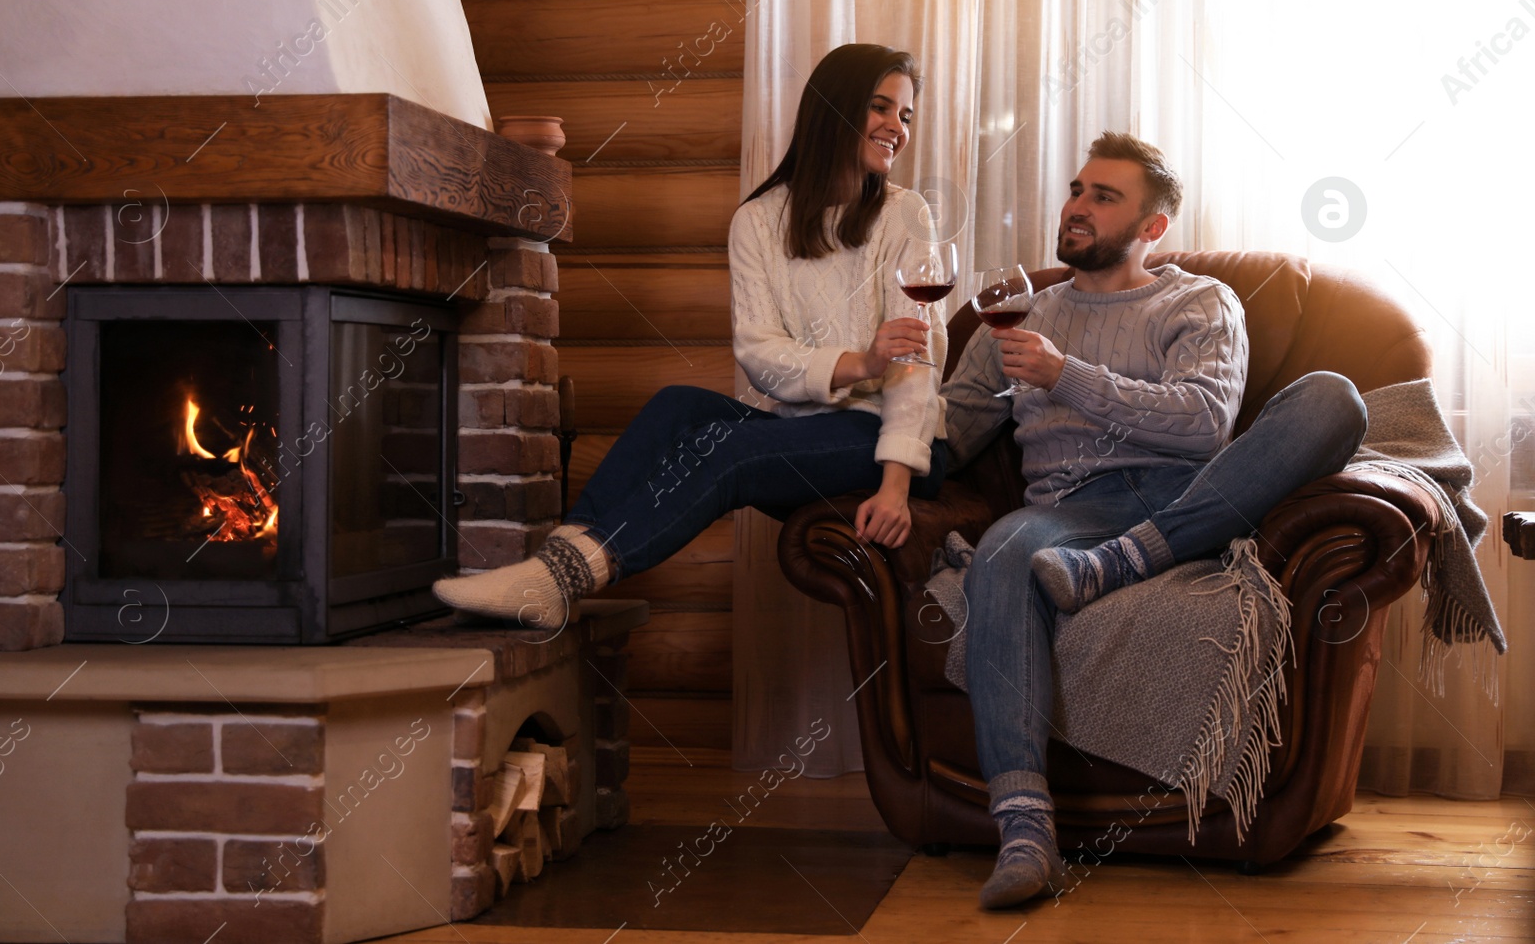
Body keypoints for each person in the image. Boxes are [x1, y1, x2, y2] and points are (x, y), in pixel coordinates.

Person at [940, 132, 1368, 908]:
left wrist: (1066, 375)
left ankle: (1129, 559)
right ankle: (1025, 830)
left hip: (1189, 498)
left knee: (1334, 397)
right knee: (1002, 551)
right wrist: (892, 388)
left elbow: (1205, 424)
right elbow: (952, 433)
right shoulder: (1019, 312)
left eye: (1104, 197)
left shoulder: (1199, 302)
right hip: (1067, 515)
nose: (1077, 206)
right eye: (1076, 189)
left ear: (1153, 227)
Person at [435, 44, 949, 630]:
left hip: (891, 442)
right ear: (833, 109)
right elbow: (761, 353)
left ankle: (557, 581)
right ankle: (557, 566)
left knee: (729, 448)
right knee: (678, 406)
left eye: (906, 115)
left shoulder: (906, 216)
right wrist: (859, 361)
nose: (896, 128)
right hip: (804, 432)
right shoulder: (758, 221)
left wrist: (895, 485)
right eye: (881, 108)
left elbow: (917, 365)